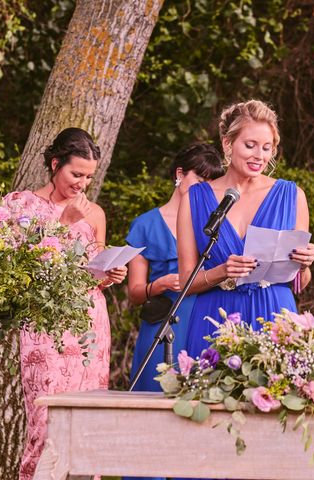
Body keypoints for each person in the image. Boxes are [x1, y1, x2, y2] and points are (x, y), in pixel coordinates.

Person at [4, 128, 127, 480]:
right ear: (55, 164)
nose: (82, 184)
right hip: (46, 324)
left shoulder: (96, 212)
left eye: (89, 177)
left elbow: (93, 266)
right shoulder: (22, 204)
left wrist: (111, 273)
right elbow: (21, 268)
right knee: (47, 422)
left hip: (90, 324)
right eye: (76, 174)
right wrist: (64, 222)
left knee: (87, 419)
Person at [178, 100, 314, 358]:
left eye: (267, 148)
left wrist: (304, 264)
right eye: (250, 145)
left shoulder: (292, 196)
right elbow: (186, 281)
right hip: (215, 318)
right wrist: (222, 271)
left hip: (274, 317)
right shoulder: (194, 199)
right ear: (228, 144)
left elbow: (299, 284)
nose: (259, 156)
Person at [124, 144, 223, 480]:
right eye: (199, 180)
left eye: (212, 183)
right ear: (179, 175)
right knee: (152, 411)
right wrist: (160, 283)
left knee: (198, 410)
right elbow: (135, 293)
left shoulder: (212, 225)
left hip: (203, 322)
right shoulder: (145, 224)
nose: (204, 189)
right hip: (162, 322)